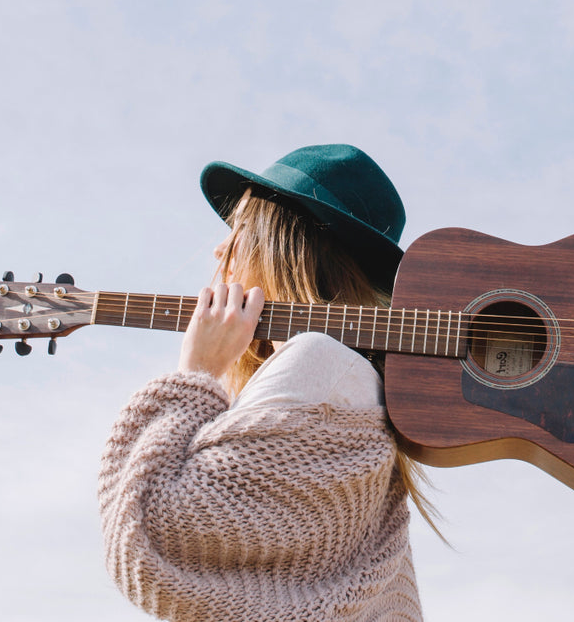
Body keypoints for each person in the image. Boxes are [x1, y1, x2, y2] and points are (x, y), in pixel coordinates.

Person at [98, 144, 434, 622]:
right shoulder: (353, 381)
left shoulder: (320, 364)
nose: (219, 249)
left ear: (281, 243)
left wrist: (196, 372)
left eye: (238, 229)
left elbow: (155, 532)